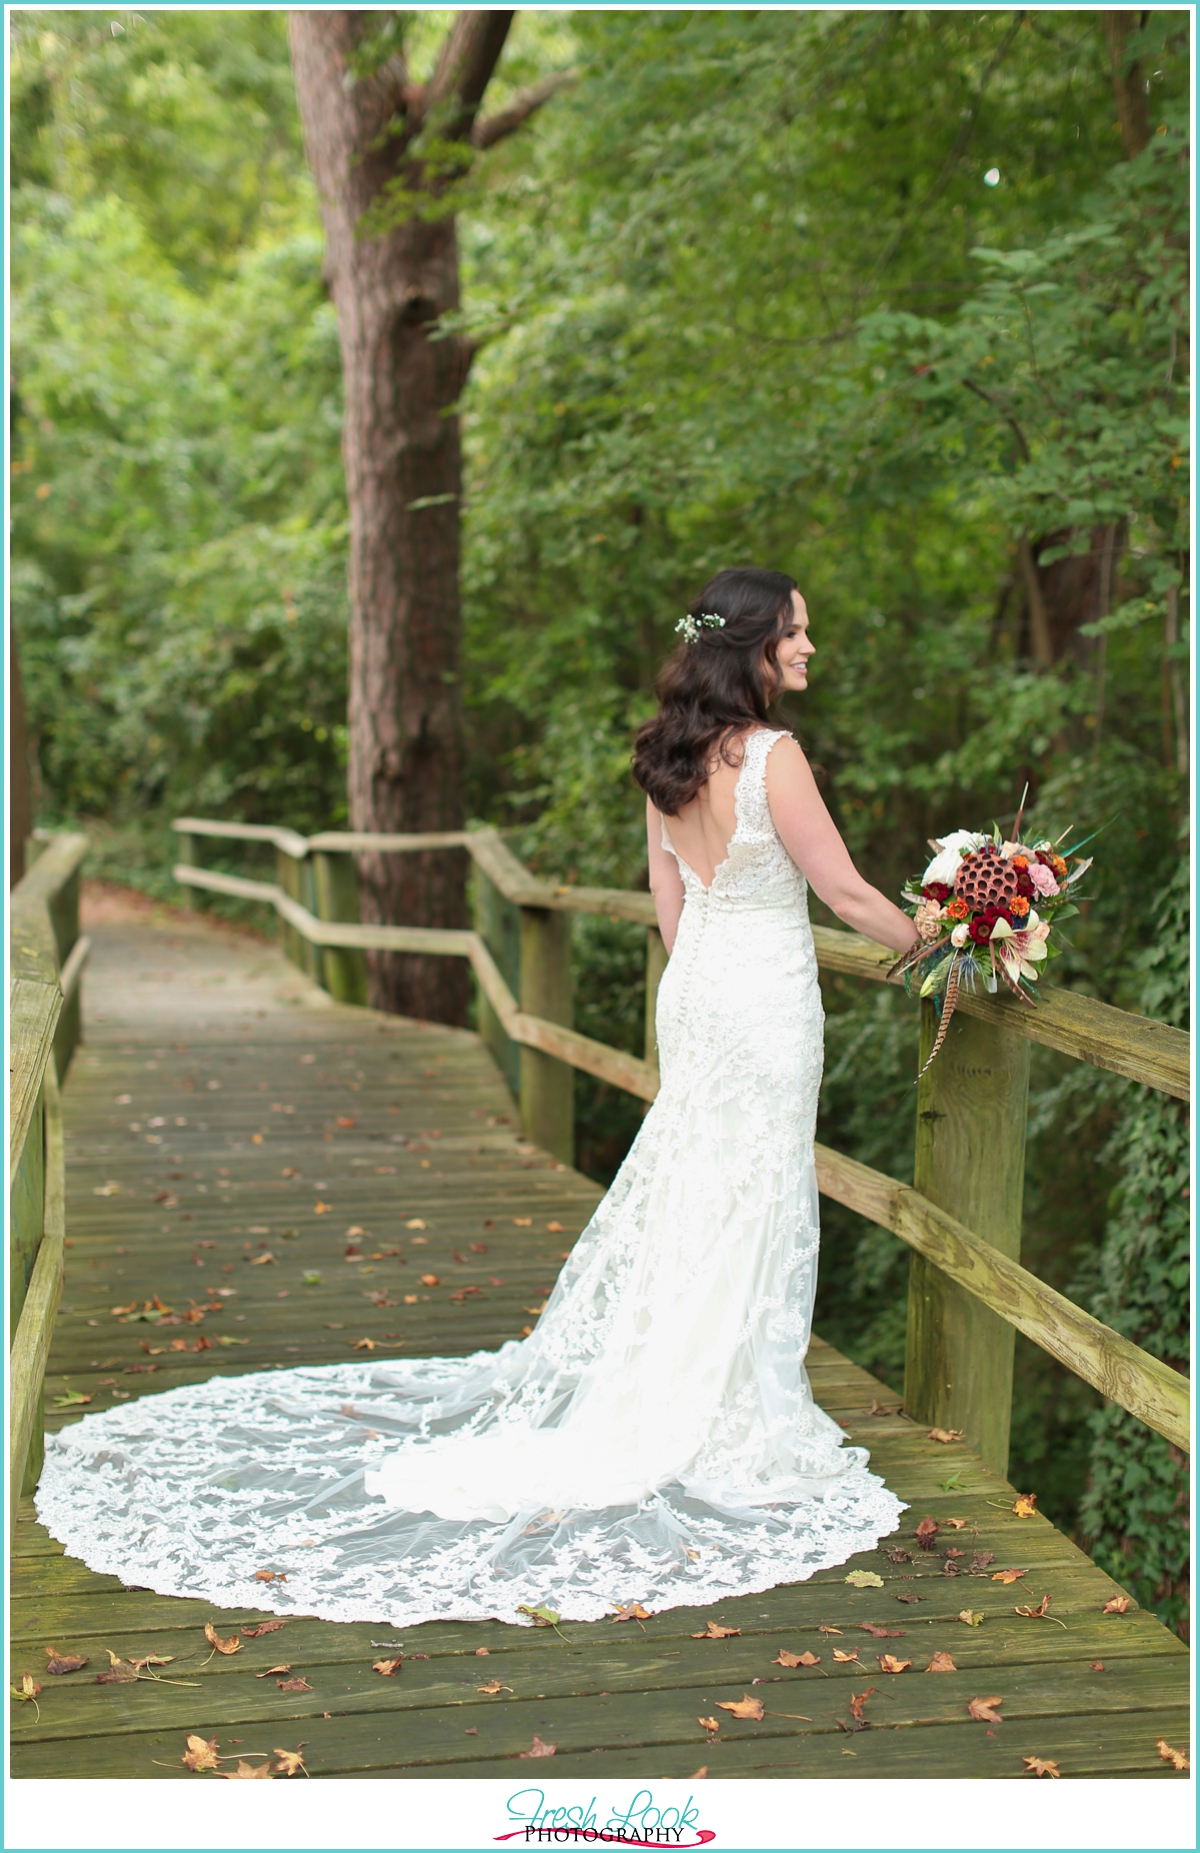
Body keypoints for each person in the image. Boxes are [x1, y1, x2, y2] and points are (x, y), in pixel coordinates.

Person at [37, 568, 920, 1630]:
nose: (812, 647)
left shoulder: (671, 756)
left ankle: (684, 1383)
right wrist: (958, 944)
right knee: (755, 1186)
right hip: (765, 1003)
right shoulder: (774, 758)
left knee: (701, 1185)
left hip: (699, 994)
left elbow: (668, 892)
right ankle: (725, 1400)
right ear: (756, 647)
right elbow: (851, 893)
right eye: (800, 632)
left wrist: (701, 986)